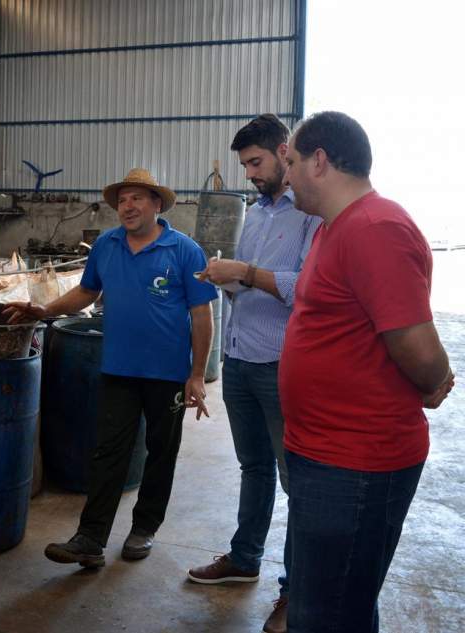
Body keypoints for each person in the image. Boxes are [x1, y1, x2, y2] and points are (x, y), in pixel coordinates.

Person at [279, 111, 454, 633]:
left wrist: (435, 380)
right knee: (338, 605)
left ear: (320, 161)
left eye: (290, 162)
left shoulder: (376, 228)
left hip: (357, 463)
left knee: (326, 615)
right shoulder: (333, 229)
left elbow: (421, 352)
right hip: (324, 453)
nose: (286, 175)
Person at [5, 168, 217, 567]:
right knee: (107, 452)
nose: (128, 206)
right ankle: (91, 537)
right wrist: (46, 310)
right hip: (118, 368)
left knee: (160, 452)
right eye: (122, 200)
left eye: (137, 198)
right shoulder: (107, 244)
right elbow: (87, 291)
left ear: (157, 204)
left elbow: (201, 314)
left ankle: (144, 528)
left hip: (168, 374)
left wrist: (196, 375)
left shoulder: (184, 250)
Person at [187, 114, 321, 633]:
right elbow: (251, 279)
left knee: (296, 480)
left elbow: (307, 286)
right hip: (241, 358)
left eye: (256, 163)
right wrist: (225, 277)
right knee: (254, 468)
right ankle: (245, 559)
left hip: (282, 365)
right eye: (245, 166)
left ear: (285, 153)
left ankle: (295, 590)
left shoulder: (309, 214)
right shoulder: (258, 213)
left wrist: (243, 273)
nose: (249, 175)